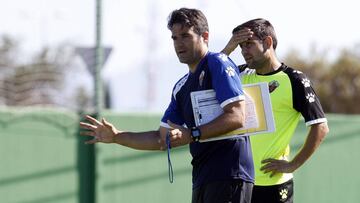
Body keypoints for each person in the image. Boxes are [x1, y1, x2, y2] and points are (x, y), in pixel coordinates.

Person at [80, 8, 254, 203]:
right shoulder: (181, 87)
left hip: (230, 173)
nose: (179, 43)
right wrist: (116, 137)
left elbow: (238, 116)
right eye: (174, 38)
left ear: (205, 36)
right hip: (202, 177)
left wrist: (192, 134)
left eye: (185, 36)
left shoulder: (218, 62)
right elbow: (160, 139)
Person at [221, 18, 329, 203]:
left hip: (275, 185)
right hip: (238, 182)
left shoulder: (294, 80)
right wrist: (226, 50)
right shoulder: (239, 74)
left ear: (268, 42)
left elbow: (320, 127)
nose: (243, 51)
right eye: (240, 46)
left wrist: (293, 164)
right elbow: (203, 79)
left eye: (248, 44)